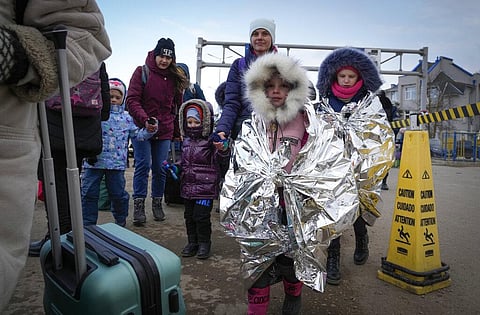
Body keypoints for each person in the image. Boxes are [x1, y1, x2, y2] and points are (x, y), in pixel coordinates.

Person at [220, 53, 359, 315]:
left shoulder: (309, 123)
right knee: (256, 257)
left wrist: (298, 183)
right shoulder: (254, 124)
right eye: (269, 86)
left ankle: (293, 295)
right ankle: (256, 309)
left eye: (282, 85)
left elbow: (325, 161)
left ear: (293, 88)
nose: (275, 91)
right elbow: (241, 164)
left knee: (291, 257)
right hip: (258, 207)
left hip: (296, 206)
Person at [0, 1, 111, 310]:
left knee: (63, 183)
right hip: (57, 120)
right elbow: (105, 106)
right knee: (59, 183)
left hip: (56, 121)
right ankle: (59, 237)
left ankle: (64, 238)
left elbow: (87, 34)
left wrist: (16, 55)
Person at [316, 47, 395, 285]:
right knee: (333, 212)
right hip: (333, 168)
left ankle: (362, 239)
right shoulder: (324, 104)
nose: (347, 80)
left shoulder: (371, 104)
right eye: (343, 76)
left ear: (359, 78)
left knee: (359, 209)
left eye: (351, 76)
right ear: (335, 77)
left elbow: (381, 134)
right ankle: (333, 258)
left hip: (362, 168)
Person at [29, 61, 111, 256]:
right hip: (85, 127)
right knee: (72, 179)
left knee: (53, 181)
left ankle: (58, 236)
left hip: (54, 123)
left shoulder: (51, 48)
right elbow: (105, 100)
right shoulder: (92, 56)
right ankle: (70, 234)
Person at [126, 37, 188, 226]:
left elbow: (176, 107)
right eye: (161, 56)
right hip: (142, 129)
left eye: (168, 58)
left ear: (172, 59)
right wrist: (145, 120)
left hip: (165, 130)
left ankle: (157, 203)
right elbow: (132, 100)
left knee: (161, 169)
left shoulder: (175, 78)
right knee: (143, 166)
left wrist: (177, 132)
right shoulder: (141, 72)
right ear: (155, 54)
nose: (164, 60)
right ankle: (138, 206)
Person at [81, 78, 138, 227]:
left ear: (123, 99)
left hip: (116, 165)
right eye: (110, 96)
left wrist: (151, 129)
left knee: (118, 194)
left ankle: (120, 222)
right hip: (94, 161)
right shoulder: (94, 113)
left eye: (117, 97)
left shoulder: (127, 118)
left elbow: (138, 135)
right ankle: (87, 225)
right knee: (88, 193)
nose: (113, 100)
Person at [177, 99, 229, 259]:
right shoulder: (185, 141)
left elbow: (221, 158)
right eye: (189, 122)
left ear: (205, 121)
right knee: (189, 216)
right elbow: (185, 161)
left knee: (201, 217)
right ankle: (192, 242)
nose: (192, 125)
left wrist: (222, 148)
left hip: (205, 188)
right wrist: (176, 166)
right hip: (188, 186)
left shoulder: (210, 141)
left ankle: (204, 243)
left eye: (196, 122)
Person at [213, 18, 277, 144]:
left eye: (265, 33)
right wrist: (222, 129)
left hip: (273, 134)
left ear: (272, 38)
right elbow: (232, 102)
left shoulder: (283, 66)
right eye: (255, 34)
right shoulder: (239, 65)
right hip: (243, 133)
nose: (259, 37)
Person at [377, 89, 396, 190]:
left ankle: (383, 182)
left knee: (385, 160)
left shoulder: (390, 108)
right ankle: (380, 182)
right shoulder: (374, 107)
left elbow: (395, 121)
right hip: (377, 137)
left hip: (386, 137)